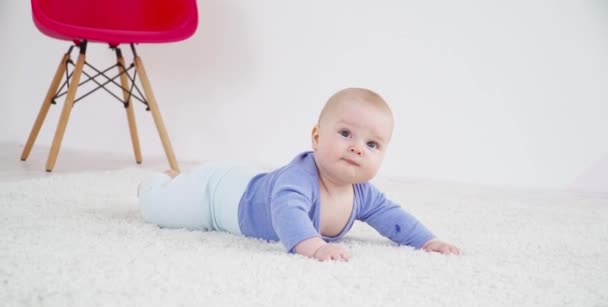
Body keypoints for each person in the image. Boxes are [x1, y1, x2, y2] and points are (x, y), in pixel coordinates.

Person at [138, 88, 461, 261]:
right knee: (161, 211)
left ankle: (178, 180)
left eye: (372, 144)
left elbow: (394, 217)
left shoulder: (361, 193)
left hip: (249, 179)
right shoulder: (300, 178)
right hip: (219, 196)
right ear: (317, 138)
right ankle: (158, 182)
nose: (358, 148)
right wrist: (314, 247)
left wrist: (427, 241)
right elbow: (286, 212)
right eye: (346, 133)